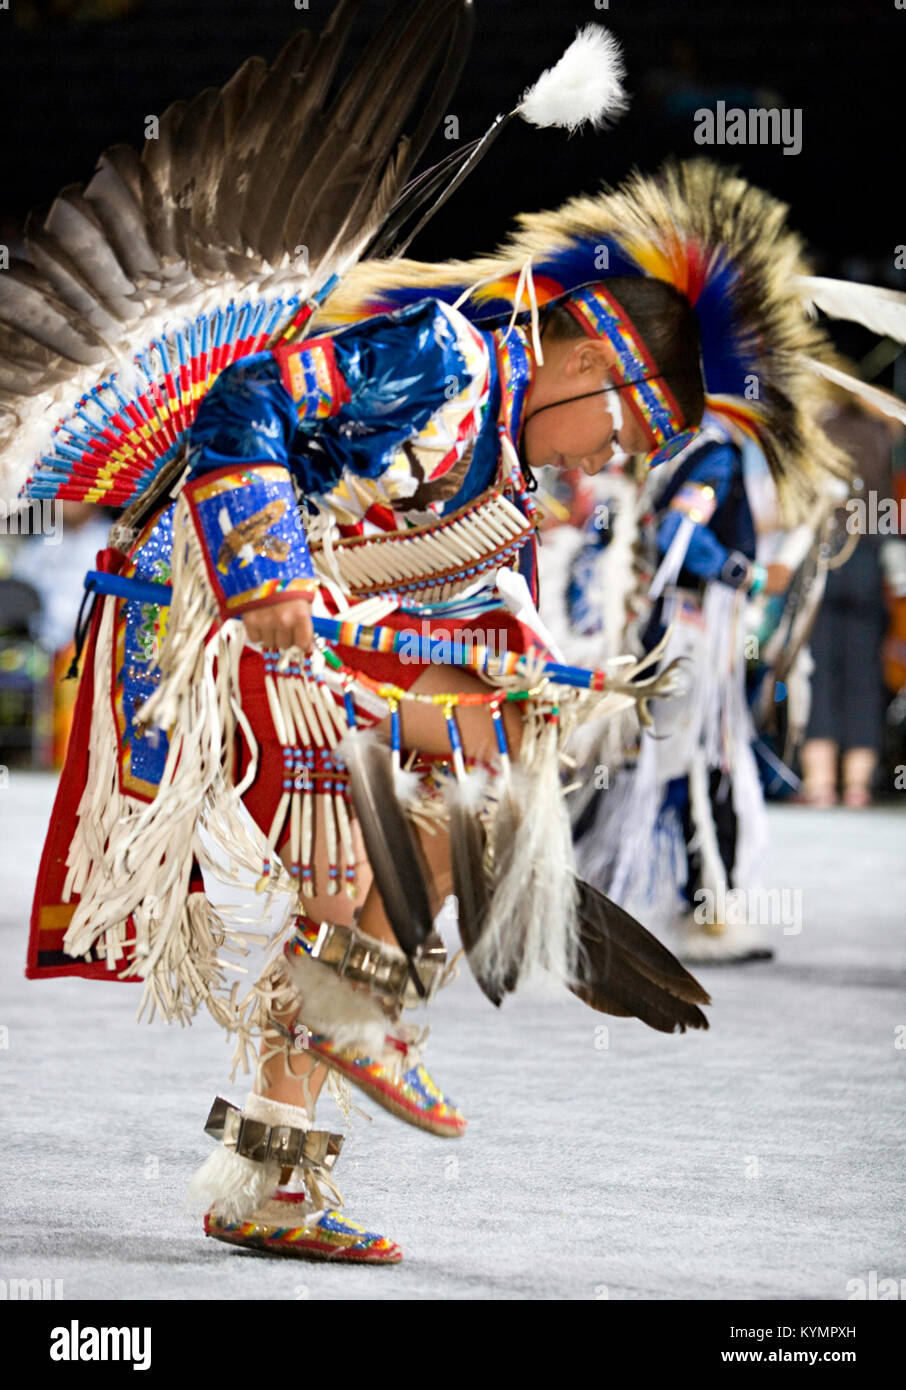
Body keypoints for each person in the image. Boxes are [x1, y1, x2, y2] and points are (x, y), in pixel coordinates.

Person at [4, 8, 903, 1264]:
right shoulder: (445, 356)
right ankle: (346, 1022)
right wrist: (266, 567)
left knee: (454, 797)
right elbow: (246, 395)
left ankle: (273, 1168)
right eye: (630, 432)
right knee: (351, 841)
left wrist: (547, 684)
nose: (621, 462)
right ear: (588, 357)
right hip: (205, 609)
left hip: (311, 635)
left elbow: (477, 623)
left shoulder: (510, 483)